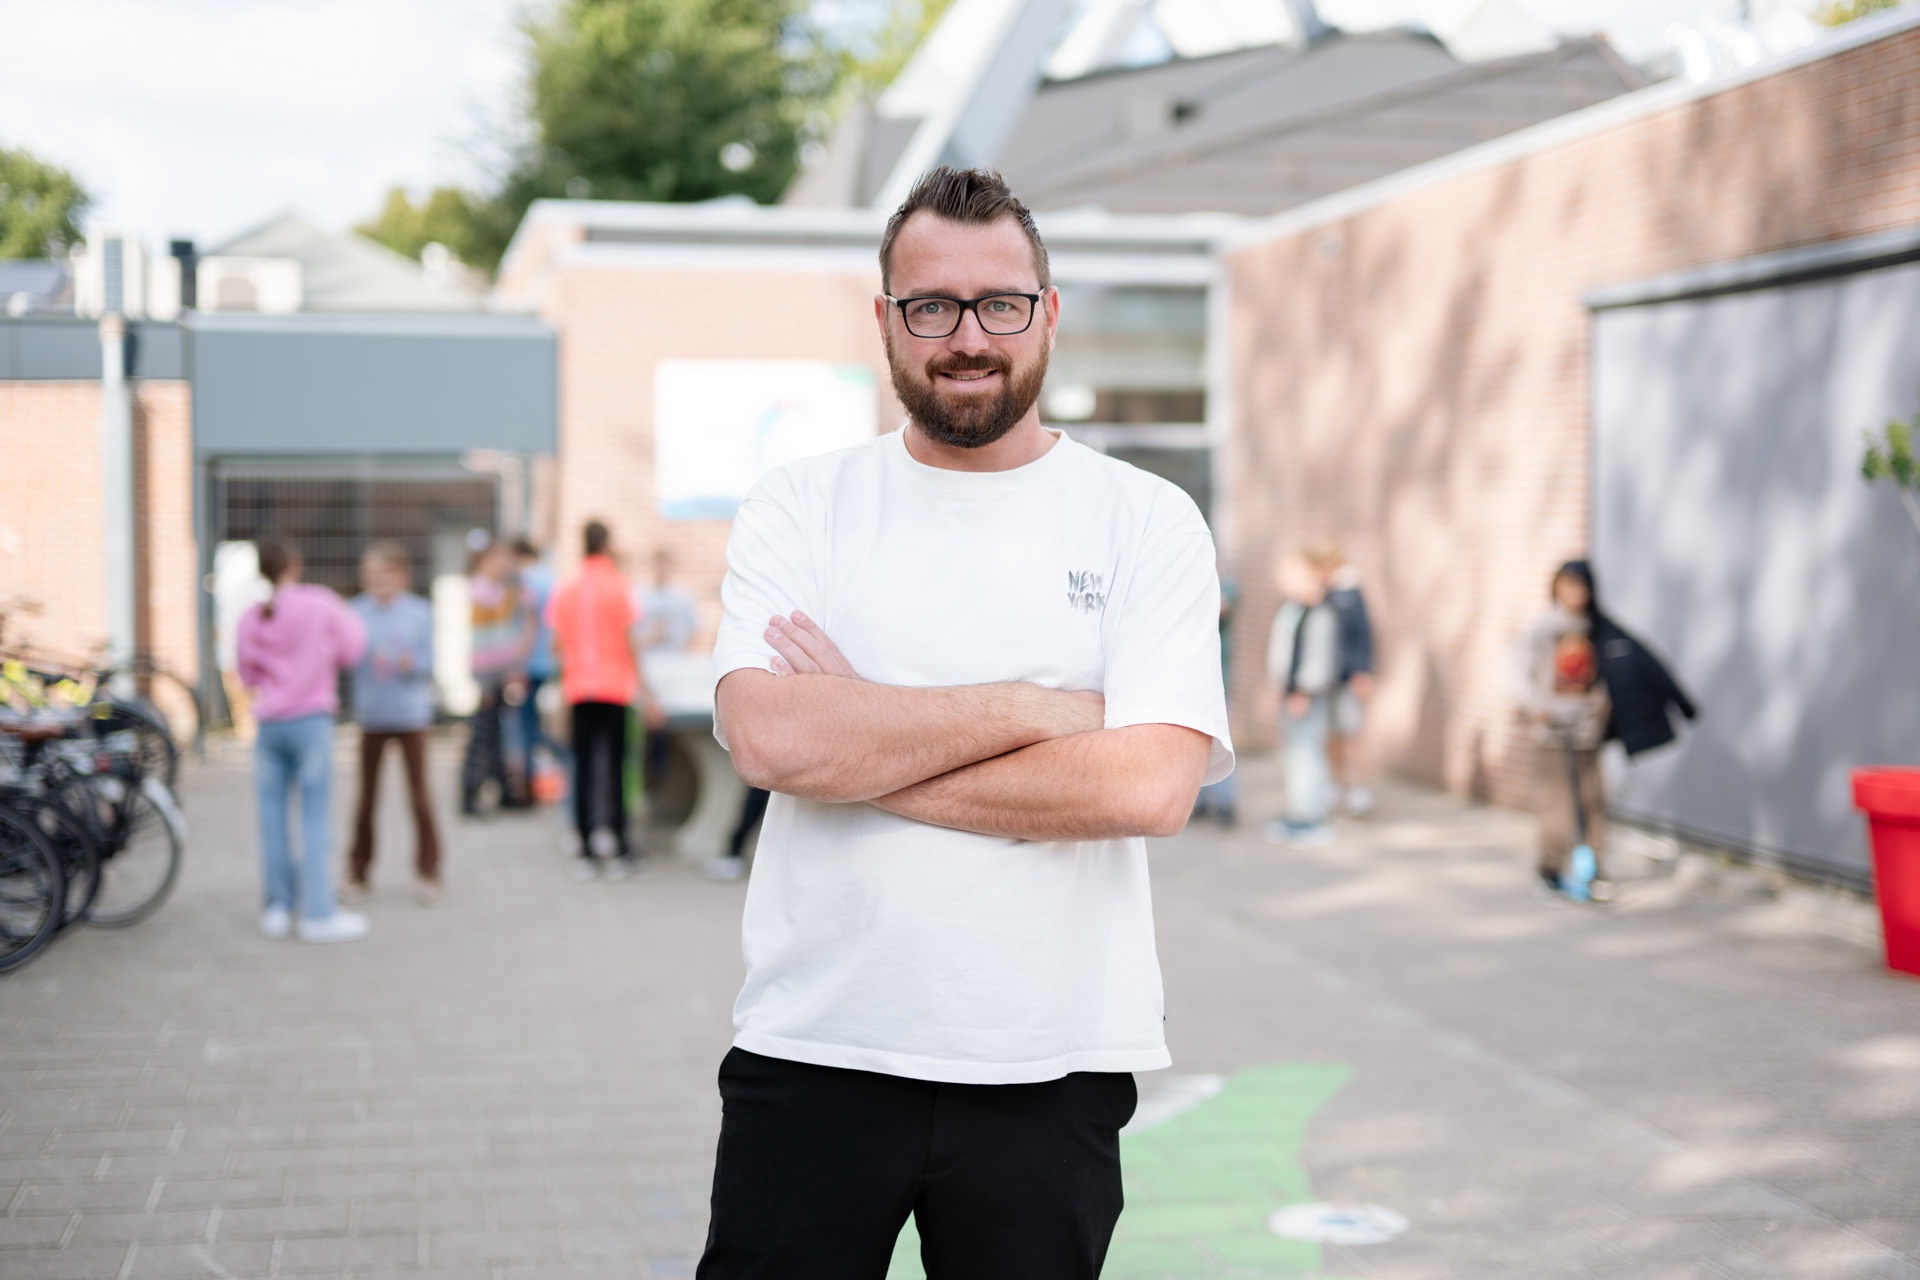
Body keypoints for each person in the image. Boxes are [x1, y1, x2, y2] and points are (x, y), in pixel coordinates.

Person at [698, 167, 1231, 1280]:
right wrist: (1038, 712)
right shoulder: (803, 503)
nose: (968, 336)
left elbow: (1145, 788)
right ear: (886, 319)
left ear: (1049, 312)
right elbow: (770, 742)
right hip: (815, 1046)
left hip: (1054, 1060)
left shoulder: (1145, 518)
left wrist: (859, 743)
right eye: (932, 306)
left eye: (1001, 303)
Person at [234, 537, 370, 943]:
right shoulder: (320, 602)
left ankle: (277, 907)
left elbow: (245, 673)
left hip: (270, 723)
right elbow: (353, 650)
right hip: (310, 721)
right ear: (295, 563)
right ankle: (318, 912)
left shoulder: (250, 615)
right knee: (314, 818)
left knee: (272, 818)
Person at [549, 520, 664, 880]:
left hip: (579, 689)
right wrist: (647, 692)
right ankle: (618, 846)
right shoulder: (619, 586)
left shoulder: (567, 587)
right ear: (607, 544)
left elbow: (556, 647)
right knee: (615, 768)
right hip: (615, 690)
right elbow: (631, 643)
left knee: (582, 768)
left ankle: (584, 850)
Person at [342, 541, 440, 907]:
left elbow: (430, 663)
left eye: (385, 577)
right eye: (371, 578)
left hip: (411, 716)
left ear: (401, 577)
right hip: (372, 716)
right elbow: (344, 656)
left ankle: (428, 871)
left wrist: (407, 663)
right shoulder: (354, 612)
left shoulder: (419, 613)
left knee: (419, 795)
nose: (377, 584)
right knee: (366, 797)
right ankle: (357, 871)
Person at [1513, 560, 1614, 900]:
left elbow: (1613, 673)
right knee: (1556, 804)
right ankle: (1550, 868)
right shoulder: (1542, 630)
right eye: (1567, 586)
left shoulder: (1598, 630)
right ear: (1556, 588)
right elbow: (1516, 672)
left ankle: (1593, 867)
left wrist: (1604, 701)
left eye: (1580, 587)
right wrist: (1533, 706)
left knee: (1592, 800)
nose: (1574, 594)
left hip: (1588, 728)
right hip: (1554, 731)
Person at [1264, 552, 1341, 847]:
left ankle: (1313, 817)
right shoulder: (1292, 608)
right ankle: (1298, 811)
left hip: (1305, 696)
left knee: (1308, 754)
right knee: (1295, 755)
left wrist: (1303, 692)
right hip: (1289, 692)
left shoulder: (1321, 612)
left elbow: (1317, 658)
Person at [461, 538, 531, 816]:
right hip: (487, 670)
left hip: (501, 668)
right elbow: (504, 613)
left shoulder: (498, 588)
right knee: (482, 735)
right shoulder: (480, 588)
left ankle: (503, 789)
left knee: (499, 732)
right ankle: (470, 791)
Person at [1318, 540, 1377, 817]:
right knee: (1331, 736)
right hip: (1324, 678)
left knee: (1352, 734)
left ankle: (1359, 790)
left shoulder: (1350, 593)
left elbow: (1362, 634)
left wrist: (1361, 670)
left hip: (1346, 677)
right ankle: (1333, 784)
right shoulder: (1321, 592)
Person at [637, 546, 699, 788]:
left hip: (674, 672)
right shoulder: (640, 597)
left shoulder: (682, 598)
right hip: (649, 672)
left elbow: (692, 633)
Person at [513, 538, 563, 790]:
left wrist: (518, 662)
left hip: (533, 661)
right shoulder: (551, 577)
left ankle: (535, 777)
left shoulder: (528, 580)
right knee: (539, 719)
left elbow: (529, 623)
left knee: (528, 722)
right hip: (551, 659)